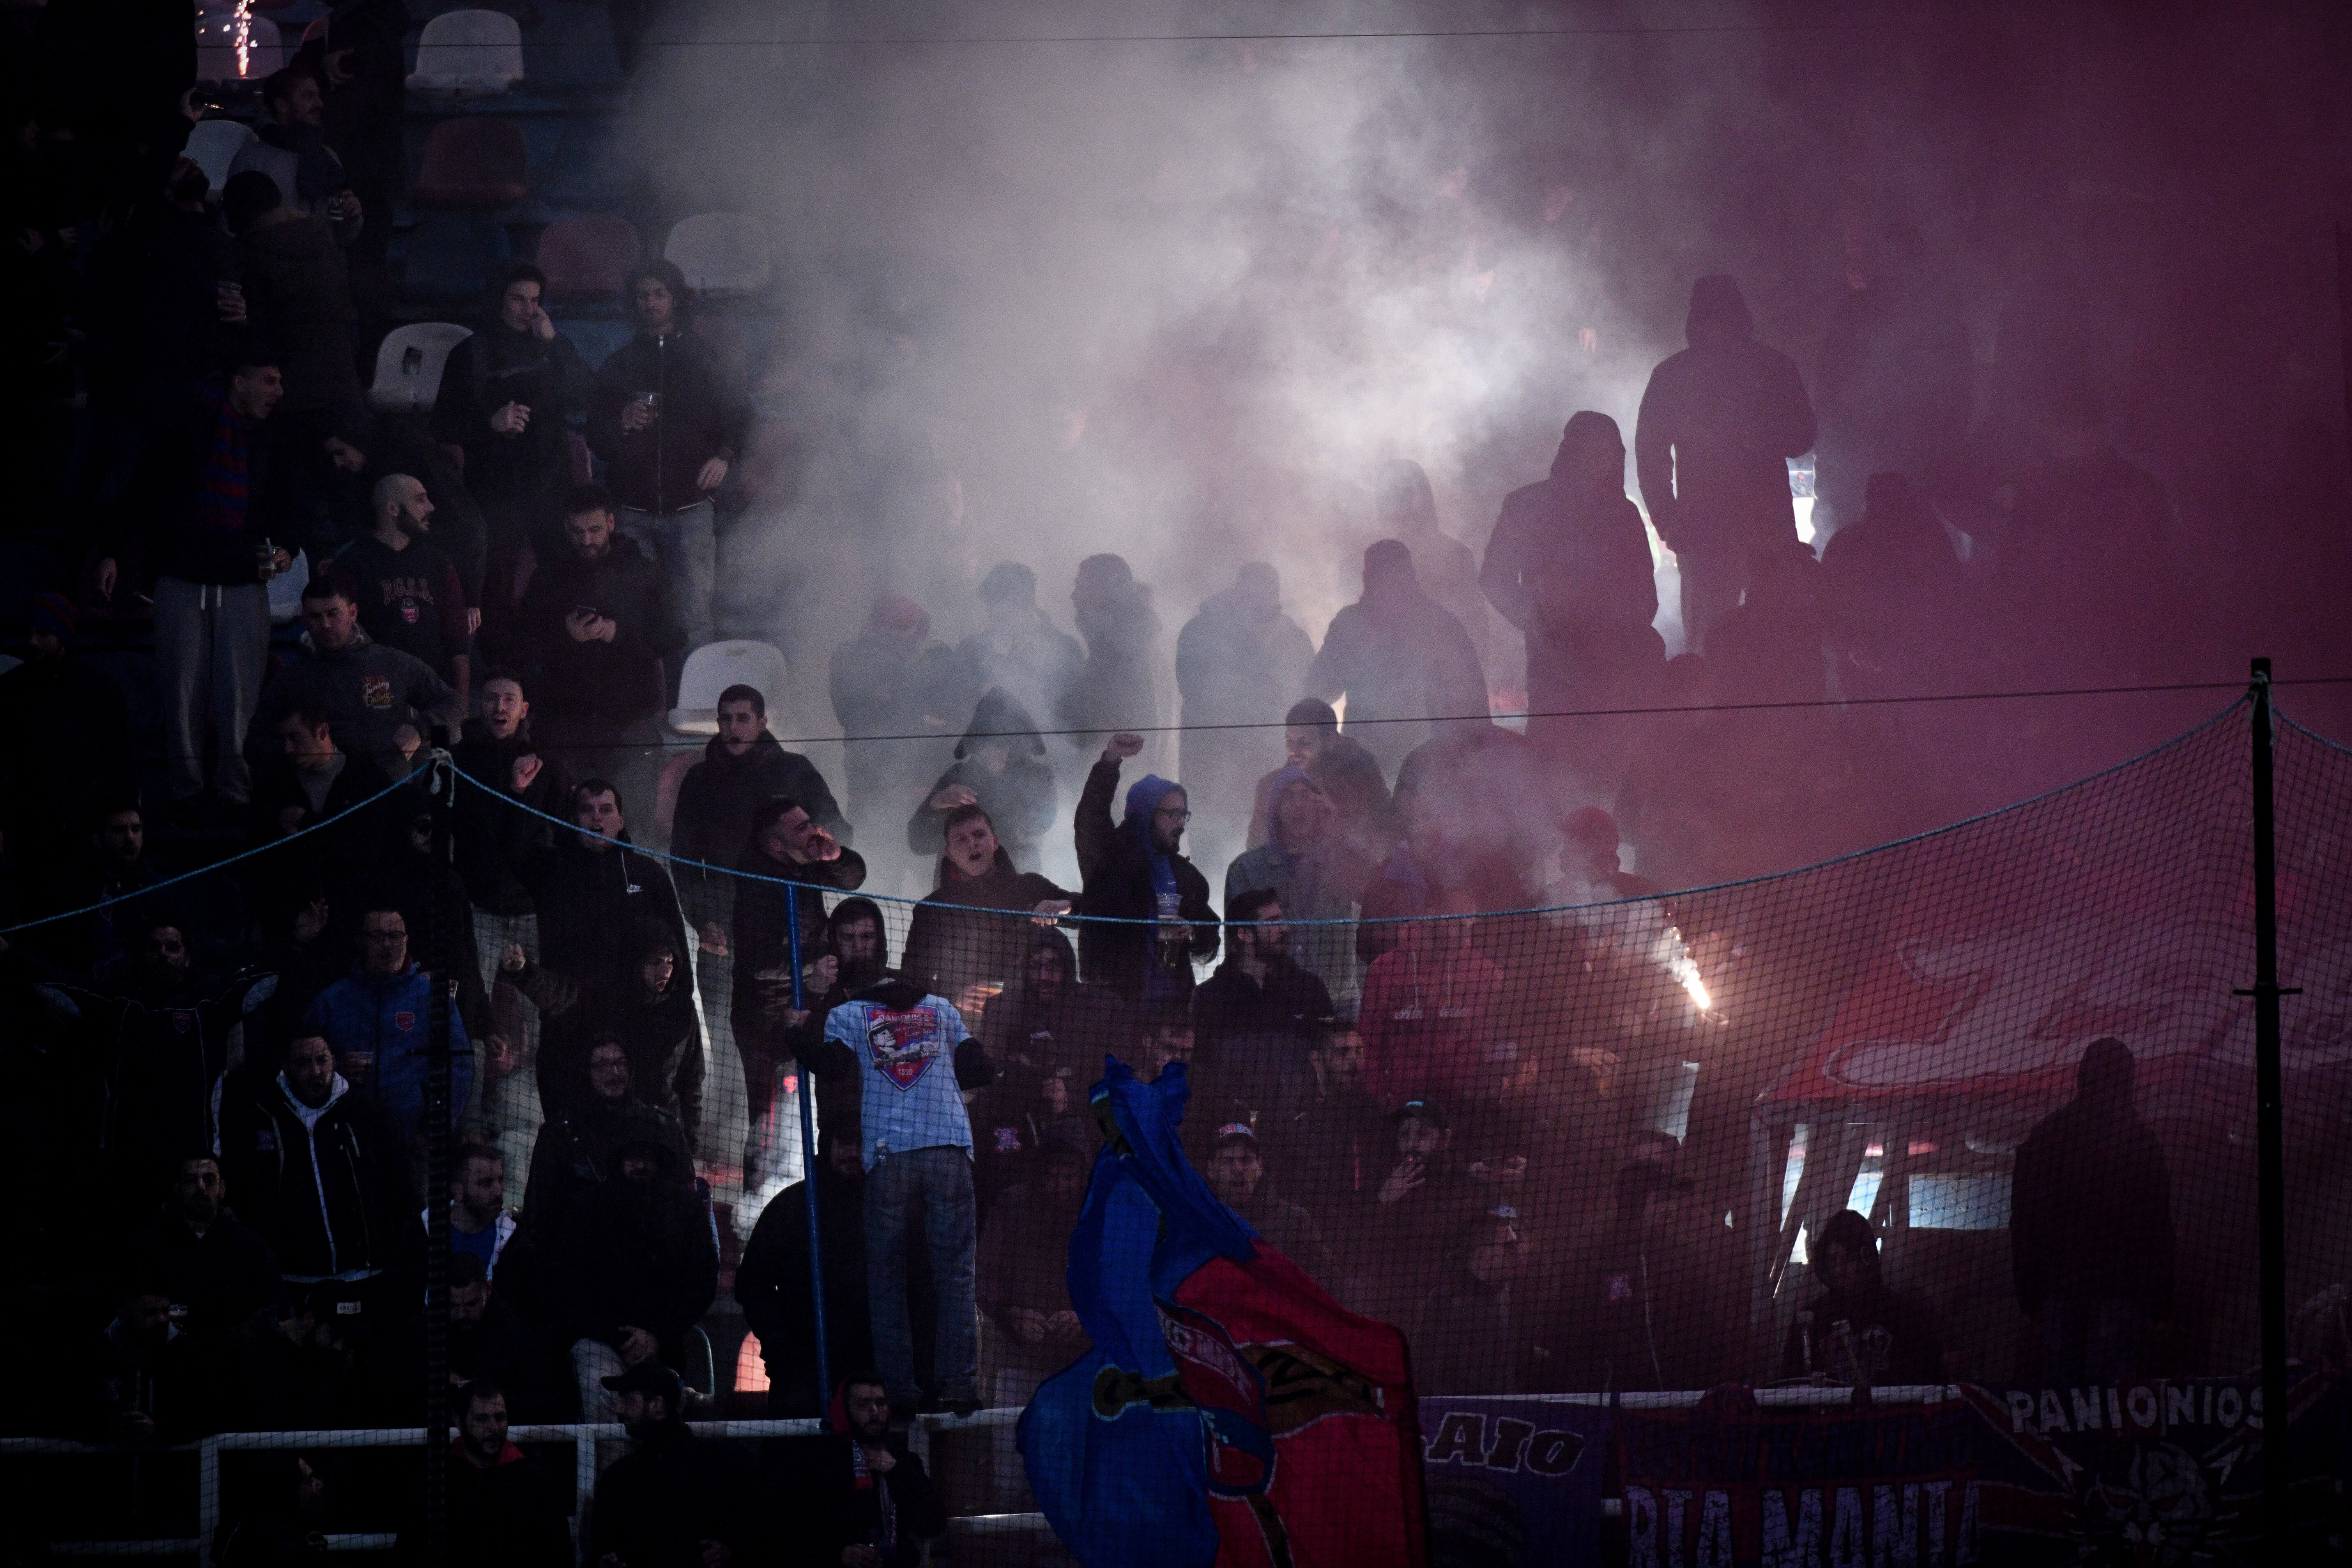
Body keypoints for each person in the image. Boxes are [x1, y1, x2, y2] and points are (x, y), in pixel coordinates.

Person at [99, 343, 289, 813]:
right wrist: (111, 551)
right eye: (268, 381)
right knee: (181, 687)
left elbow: (286, 498)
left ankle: (234, 789)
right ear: (239, 381)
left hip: (243, 577)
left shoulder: (268, 436)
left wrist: (290, 544)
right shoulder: (186, 424)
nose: (278, 392)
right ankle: (185, 789)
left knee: (240, 692)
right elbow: (141, 486)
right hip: (183, 572)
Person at [812, 971, 992, 1415]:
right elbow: (980, 1069)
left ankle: (898, 1388)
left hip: (888, 1152)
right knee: (955, 1274)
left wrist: (796, 1034)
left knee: (886, 1278)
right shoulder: (941, 1007)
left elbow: (831, 1066)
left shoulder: (848, 1011)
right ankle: (960, 1384)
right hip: (949, 1146)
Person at [1634, 274, 1819, 652]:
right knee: (1712, 642)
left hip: (1759, 528)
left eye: (1724, 317)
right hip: (1708, 530)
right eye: (1711, 318)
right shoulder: (1675, 376)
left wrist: (1767, 436)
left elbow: (1804, 433)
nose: (1719, 328)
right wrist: (1668, 520)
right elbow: (1650, 455)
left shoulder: (1771, 367)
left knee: (1773, 638)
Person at [1481, 411, 1663, 773]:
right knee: (1556, 764)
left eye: (1608, 451)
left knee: (1607, 766)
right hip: (1554, 659)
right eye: (1590, 449)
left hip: (1613, 665)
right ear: (1572, 451)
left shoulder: (1624, 515)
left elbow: (1645, 594)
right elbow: (1494, 578)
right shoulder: (1526, 505)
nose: (1600, 459)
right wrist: (1539, 618)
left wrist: (1617, 627)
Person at [588, 258, 750, 656]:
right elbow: (596, 437)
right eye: (642, 296)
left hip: (690, 509)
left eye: (659, 294)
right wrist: (621, 422)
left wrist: (725, 456)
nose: (651, 303)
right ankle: (642, 706)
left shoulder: (704, 358)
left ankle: (699, 706)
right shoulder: (619, 363)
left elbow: (740, 414)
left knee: (694, 617)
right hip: (631, 512)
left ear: (675, 299)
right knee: (633, 614)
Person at [2011, 1037, 2175, 1382]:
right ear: (2127, 1082)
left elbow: (2025, 1222)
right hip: (2119, 1290)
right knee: (2110, 1402)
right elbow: (2158, 1228)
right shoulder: (2140, 1141)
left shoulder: (2047, 1138)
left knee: (2064, 1401)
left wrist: (2029, 1294)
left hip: (2061, 1290)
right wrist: (2160, 1301)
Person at [430, 265, 594, 598]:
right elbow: (443, 424)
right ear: (499, 300)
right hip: (496, 488)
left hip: (551, 484)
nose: (528, 310)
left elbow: (584, 397)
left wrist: (556, 343)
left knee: (561, 582)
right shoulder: (470, 353)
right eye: (518, 299)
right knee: (496, 585)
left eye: (535, 301)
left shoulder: (551, 346)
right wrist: (490, 424)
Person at [515, 486, 683, 808]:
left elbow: (673, 635)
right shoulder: (550, 576)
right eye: (578, 532)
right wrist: (564, 634)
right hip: (564, 716)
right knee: (558, 812)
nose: (587, 540)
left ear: (611, 522)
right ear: (566, 528)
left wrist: (617, 632)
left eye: (594, 530)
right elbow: (523, 641)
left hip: (630, 715)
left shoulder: (644, 573)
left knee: (633, 815)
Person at [543, 1126, 718, 1423]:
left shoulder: (685, 1209)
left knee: (659, 1405)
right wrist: (621, 1337)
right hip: (598, 1341)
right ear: (619, 1159)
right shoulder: (587, 1208)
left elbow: (702, 1283)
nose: (641, 1166)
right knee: (601, 1389)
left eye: (649, 1158)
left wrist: (657, 1336)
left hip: (666, 1346)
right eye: (633, 1158)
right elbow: (567, 1287)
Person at [219, 1032, 416, 1293]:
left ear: (334, 1061)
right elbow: (247, 1194)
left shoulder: (367, 1114)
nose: (316, 1072)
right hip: (295, 1280)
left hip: (366, 1275)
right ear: (286, 1067)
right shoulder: (263, 1119)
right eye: (304, 1063)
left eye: (322, 1060)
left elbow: (401, 1186)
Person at [1811, 218, 1971, 536]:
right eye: (1850, 250)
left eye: (1863, 249)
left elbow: (1951, 384)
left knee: (1908, 534)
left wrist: (1942, 446)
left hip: (1907, 452)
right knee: (1846, 531)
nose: (1855, 260)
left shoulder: (1924, 305)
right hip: (1850, 454)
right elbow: (1829, 381)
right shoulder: (1842, 307)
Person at [671, 683, 850, 952]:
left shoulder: (795, 770)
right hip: (726, 921)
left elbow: (836, 827)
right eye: (726, 719)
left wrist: (830, 847)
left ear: (762, 723)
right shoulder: (699, 780)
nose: (733, 728)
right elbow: (685, 859)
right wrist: (702, 920)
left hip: (794, 916)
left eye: (743, 718)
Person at [730, 797, 869, 1130]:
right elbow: (756, 962)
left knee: (822, 1096)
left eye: (810, 821)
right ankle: (763, 1180)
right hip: (765, 1016)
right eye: (802, 827)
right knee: (772, 1117)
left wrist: (836, 856)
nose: (814, 831)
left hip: (808, 997)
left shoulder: (805, 861)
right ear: (776, 844)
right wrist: (813, 962)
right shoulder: (755, 886)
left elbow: (853, 879)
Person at [737, 1128, 892, 1417]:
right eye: (846, 1141)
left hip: (873, 1372)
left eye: (862, 1142)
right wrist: (779, 1346)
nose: (854, 1152)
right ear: (827, 1145)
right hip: (802, 1372)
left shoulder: (887, 1209)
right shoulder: (794, 1207)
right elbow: (752, 1284)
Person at [504, 920, 703, 1144]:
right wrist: (524, 972)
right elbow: (561, 995)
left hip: (663, 1131)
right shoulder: (612, 1000)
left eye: (670, 961)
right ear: (639, 963)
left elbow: (692, 1079)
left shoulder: (682, 1012)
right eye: (656, 962)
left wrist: (690, 1141)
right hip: (610, 1129)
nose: (666, 970)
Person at [1174, 561, 1315, 875]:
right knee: (1211, 859)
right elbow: (1197, 693)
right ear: (1236, 595)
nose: (1258, 608)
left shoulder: (1294, 640)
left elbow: (1308, 701)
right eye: (1250, 599)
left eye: (1265, 601)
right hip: (1212, 772)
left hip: (1271, 773)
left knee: (1267, 859)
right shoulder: (1200, 632)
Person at [1303, 539, 1489, 778]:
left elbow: (1473, 704)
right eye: (1376, 576)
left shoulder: (1441, 627)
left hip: (1430, 766)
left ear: (1408, 577)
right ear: (1366, 579)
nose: (1384, 585)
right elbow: (1318, 692)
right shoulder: (1350, 624)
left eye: (1390, 575)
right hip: (1363, 765)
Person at [250, 570, 463, 776]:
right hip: (325, 791)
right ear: (304, 619)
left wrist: (420, 729)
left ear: (353, 613)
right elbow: (256, 736)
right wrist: (295, 748)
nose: (325, 624)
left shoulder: (393, 664)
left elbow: (455, 705)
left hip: (391, 786)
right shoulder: (293, 678)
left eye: (334, 614)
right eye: (315, 617)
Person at [304, 903, 476, 1147]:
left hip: (412, 1142)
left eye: (394, 937)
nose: (387, 945)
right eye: (377, 937)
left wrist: (433, 1131)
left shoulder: (432, 998)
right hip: (345, 1140)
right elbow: (302, 1065)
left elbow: (459, 1065)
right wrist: (336, 1070)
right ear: (361, 942)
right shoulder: (331, 1002)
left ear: (406, 941)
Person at [0, 592, 136, 887]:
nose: (33, 642)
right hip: (31, 829)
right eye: (30, 633)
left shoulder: (100, 691)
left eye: (44, 633)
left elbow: (120, 758)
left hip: (88, 831)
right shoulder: (12, 692)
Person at [1074, 732, 1217, 1002]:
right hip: (1114, 1010)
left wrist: (1194, 933)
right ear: (1145, 814)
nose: (1181, 822)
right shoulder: (1110, 860)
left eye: (1184, 813)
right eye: (1172, 814)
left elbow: (1209, 947)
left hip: (1172, 1013)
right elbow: (1091, 817)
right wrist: (1110, 761)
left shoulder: (1188, 878)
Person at [898, 803, 1074, 1015]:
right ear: (950, 853)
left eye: (979, 835)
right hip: (962, 1023)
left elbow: (1096, 913)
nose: (972, 844)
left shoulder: (1030, 888)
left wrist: (1067, 906)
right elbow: (913, 980)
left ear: (995, 841)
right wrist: (954, 997)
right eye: (961, 840)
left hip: (1028, 1018)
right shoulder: (932, 910)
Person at [1227, 768, 1375, 1006]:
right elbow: (1236, 945)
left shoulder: (1341, 858)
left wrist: (1337, 835)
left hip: (1334, 1001)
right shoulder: (1247, 870)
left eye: (1307, 796)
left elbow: (1373, 894)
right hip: (1270, 1003)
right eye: (1289, 797)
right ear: (1276, 812)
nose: (1299, 805)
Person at [532, 780, 691, 1002]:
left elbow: (679, 952)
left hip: (638, 1012)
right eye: (587, 809)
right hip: (576, 1011)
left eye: (606, 810)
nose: (597, 817)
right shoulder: (554, 874)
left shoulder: (649, 873)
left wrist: (677, 1009)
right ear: (574, 820)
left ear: (620, 821)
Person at [223, 171, 364, 421]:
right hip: (342, 379)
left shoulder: (250, 255)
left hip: (289, 391)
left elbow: (255, 327)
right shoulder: (324, 240)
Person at [586, 1362, 757, 1568]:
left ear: (657, 1406)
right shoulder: (722, 1462)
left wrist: (730, 1549)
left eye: (628, 1399)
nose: (618, 1408)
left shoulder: (620, 1477)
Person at [517, 1043, 693, 1243]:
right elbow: (539, 1213)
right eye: (602, 1065)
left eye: (620, 1063)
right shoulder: (559, 1135)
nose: (615, 1072)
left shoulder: (661, 1127)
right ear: (586, 1072)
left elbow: (687, 1200)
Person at [1817, 470, 1963, 700]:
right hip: (1915, 661)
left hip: (1893, 661)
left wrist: (1851, 647)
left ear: (1865, 501)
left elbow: (1827, 607)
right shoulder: (1930, 536)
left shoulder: (1846, 542)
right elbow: (1954, 595)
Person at [327, 472, 471, 704]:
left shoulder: (439, 563)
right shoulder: (352, 564)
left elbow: (457, 639)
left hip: (433, 691)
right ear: (393, 509)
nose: (431, 507)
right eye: (420, 500)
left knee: (438, 740)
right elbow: (340, 637)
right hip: (376, 692)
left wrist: (461, 704)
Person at [828, 592, 963, 837]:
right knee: (878, 857)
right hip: (873, 788)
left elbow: (945, 713)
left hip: (926, 790)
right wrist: (911, 706)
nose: (907, 637)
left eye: (912, 630)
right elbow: (853, 713)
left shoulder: (930, 661)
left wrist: (902, 701)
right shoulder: (849, 657)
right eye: (898, 628)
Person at [780, 1375, 948, 1568]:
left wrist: (895, 1471)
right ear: (846, 1412)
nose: (874, 1411)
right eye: (863, 1404)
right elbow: (795, 1529)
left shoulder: (903, 1461)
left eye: (881, 1403)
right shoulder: (823, 1464)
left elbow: (933, 1524)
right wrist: (839, 1553)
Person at [1189, 888, 1332, 1114]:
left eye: (1283, 920)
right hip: (1234, 1127)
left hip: (1300, 1126)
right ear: (1245, 934)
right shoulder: (1210, 998)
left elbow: (1329, 1057)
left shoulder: (1309, 989)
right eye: (1272, 923)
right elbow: (1200, 1069)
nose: (1284, 929)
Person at [1358, 905, 1505, 1110]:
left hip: (1466, 1102)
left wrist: (1490, 1090)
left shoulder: (1485, 972)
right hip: (1403, 1104)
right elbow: (1370, 1041)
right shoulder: (1385, 969)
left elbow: (1495, 1038)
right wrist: (1379, 1095)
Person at [127, 1154, 285, 1343]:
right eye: (191, 1180)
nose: (201, 1187)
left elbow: (274, 1310)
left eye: (210, 1180)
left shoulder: (252, 1247)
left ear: (222, 1189)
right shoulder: (150, 1244)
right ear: (178, 1188)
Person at [1780, 1210, 1945, 1386]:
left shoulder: (1905, 1315)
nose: (1838, 1269)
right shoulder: (1811, 1321)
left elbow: (1931, 1385)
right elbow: (1790, 1386)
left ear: (1867, 1257)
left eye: (1847, 1259)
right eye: (1832, 1260)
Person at [906, 687, 1058, 875]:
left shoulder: (1037, 777)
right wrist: (936, 806)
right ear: (977, 745)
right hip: (960, 890)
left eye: (1009, 742)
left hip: (1017, 884)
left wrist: (992, 798)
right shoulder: (957, 777)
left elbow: (1040, 822)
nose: (1002, 750)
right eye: (993, 742)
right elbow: (919, 843)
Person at [954, 562, 1086, 775]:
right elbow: (956, 714)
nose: (998, 615)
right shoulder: (970, 652)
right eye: (993, 605)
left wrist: (1038, 698)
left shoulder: (1065, 649)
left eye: (1011, 604)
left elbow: (1079, 718)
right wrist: (978, 699)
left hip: (1051, 768)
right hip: (984, 773)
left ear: (1028, 602)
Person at [430, 1380, 575, 1568]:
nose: (494, 1428)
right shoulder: (436, 1481)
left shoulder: (537, 1483)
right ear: (458, 1420)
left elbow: (558, 1556)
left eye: (500, 1418)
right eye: (482, 1419)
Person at [1367, 458, 1494, 672]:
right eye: (1394, 495)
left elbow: (1476, 631)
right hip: (1377, 684)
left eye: (1408, 494)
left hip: (1441, 682)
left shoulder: (1455, 556)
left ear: (1425, 500)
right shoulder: (1362, 555)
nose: (1403, 505)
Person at [1245, 697, 1397, 863]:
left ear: (1330, 741)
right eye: (1289, 741)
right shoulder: (1270, 788)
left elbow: (1383, 843)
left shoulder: (1358, 783)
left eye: (1304, 743)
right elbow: (1256, 853)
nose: (1294, 751)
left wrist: (1338, 828)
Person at [1409, 1206, 1533, 1396]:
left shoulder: (1506, 1295)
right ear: (1482, 1254)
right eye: (1508, 1247)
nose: (1516, 1253)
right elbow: (1432, 1372)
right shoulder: (1448, 1301)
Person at [228, 69, 362, 239]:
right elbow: (236, 230)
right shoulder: (252, 161)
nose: (319, 104)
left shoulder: (327, 157)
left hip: (323, 263)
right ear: (282, 106)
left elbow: (343, 235)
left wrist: (351, 217)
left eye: (318, 96)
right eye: (308, 97)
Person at [1200, 1121, 1334, 1282]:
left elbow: (1328, 1279)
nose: (1238, 1169)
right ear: (1211, 1169)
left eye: (1246, 1160)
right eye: (1227, 1162)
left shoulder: (1294, 1220)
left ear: (1260, 1167)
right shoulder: (1198, 1221)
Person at [441, 1143, 518, 1280]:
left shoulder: (514, 1241)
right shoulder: (423, 1232)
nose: (499, 1191)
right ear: (458, 1191)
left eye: (500, 1180)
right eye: (486, 1183)